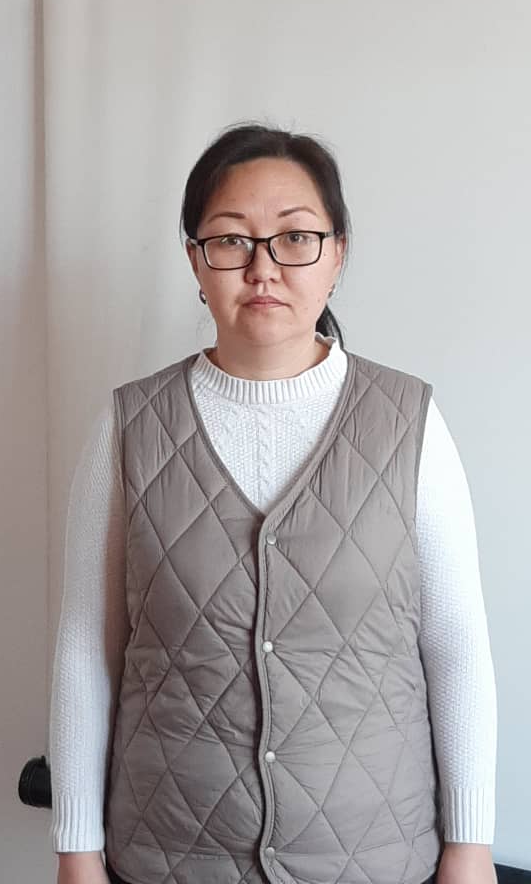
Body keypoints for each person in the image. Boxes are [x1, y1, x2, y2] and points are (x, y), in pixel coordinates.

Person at [50, 123, 497, 884]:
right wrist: (76, 850)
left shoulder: (409, 422)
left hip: (374, 856)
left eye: (295, 238)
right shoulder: (127, 426)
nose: (262, 268)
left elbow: (455, 645)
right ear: (195, 259)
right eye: (231, 240)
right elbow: (86, 649)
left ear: (337, 254)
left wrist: (471, 845)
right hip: (167, 855)